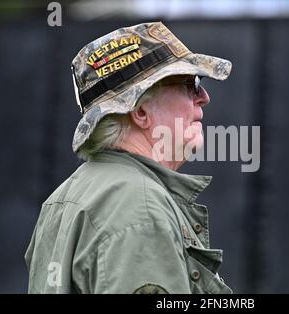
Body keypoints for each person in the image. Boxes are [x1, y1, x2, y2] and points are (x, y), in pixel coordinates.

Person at [24, 21, 233, 294]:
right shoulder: (139, 206)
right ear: (141, 112)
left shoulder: (65, 198)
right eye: (189, 83)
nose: (203, 97)